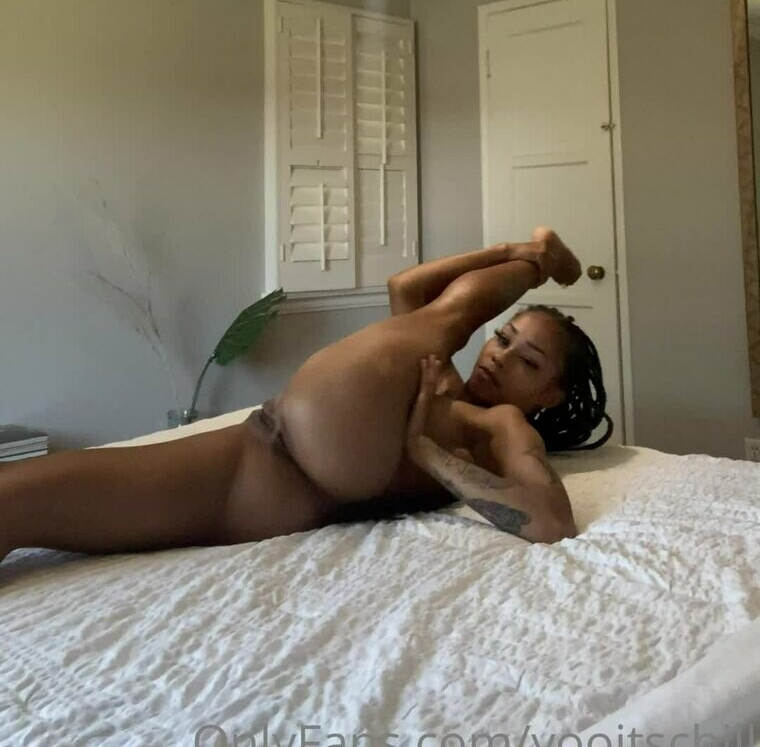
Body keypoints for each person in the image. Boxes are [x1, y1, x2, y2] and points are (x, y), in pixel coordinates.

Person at [0, 228, 612, 565]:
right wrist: (500, 251)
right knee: (15, 503)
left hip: (308, 467)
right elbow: (405, 284)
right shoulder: (439, 374)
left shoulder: (502, 424)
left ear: (550, 394)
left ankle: (539, 262)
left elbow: (551, 521)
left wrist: (429, 455)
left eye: (527, 359)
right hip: (250, 458)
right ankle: (528, 256)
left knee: (442, 318)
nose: (499, 355)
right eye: (501, 337)